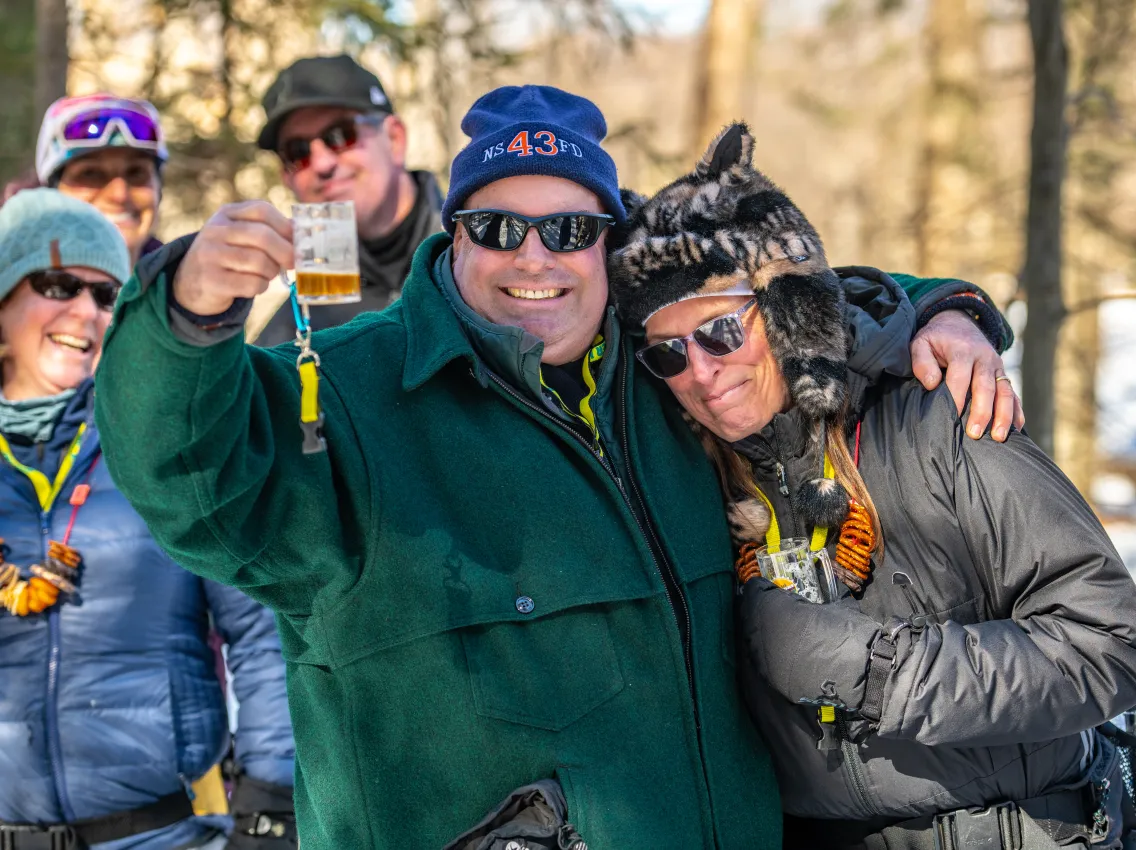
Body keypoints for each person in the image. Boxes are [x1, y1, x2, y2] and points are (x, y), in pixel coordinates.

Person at [95, 86, 1022, 848]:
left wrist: (937, 311)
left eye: (571, 232)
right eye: (499, 228)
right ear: (452, 235)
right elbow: (193, 484)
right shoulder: (350, 394)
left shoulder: (672, 367)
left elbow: (796, 303)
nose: (534, 258)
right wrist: (187, 315)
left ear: (612, 247)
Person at [607, 123, 1136, 849]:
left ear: (783, 310)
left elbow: (1114, 646)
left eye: (719, 331)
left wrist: (874, 673)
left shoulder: (938, 416)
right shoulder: (688, 476)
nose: (702, 372)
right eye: (668, 354)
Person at [0, 190, 296, 850]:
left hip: (161, 834)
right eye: (57, 284)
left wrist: (273, 809)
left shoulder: (161, 447)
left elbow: (261, 628)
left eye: (108, 296)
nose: (85, 311)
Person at [250, 54, 444, 346]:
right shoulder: (294, 332)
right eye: (297, 151)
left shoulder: (478, 249)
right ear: (286, 176)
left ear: (394, 139)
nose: (321, 163)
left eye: (341, 135)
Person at [35, 94, 169, 266]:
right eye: (90, 174)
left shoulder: (187, 287)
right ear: (51, 195)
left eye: (136, 172)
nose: (119, 195)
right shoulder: (11, 287)